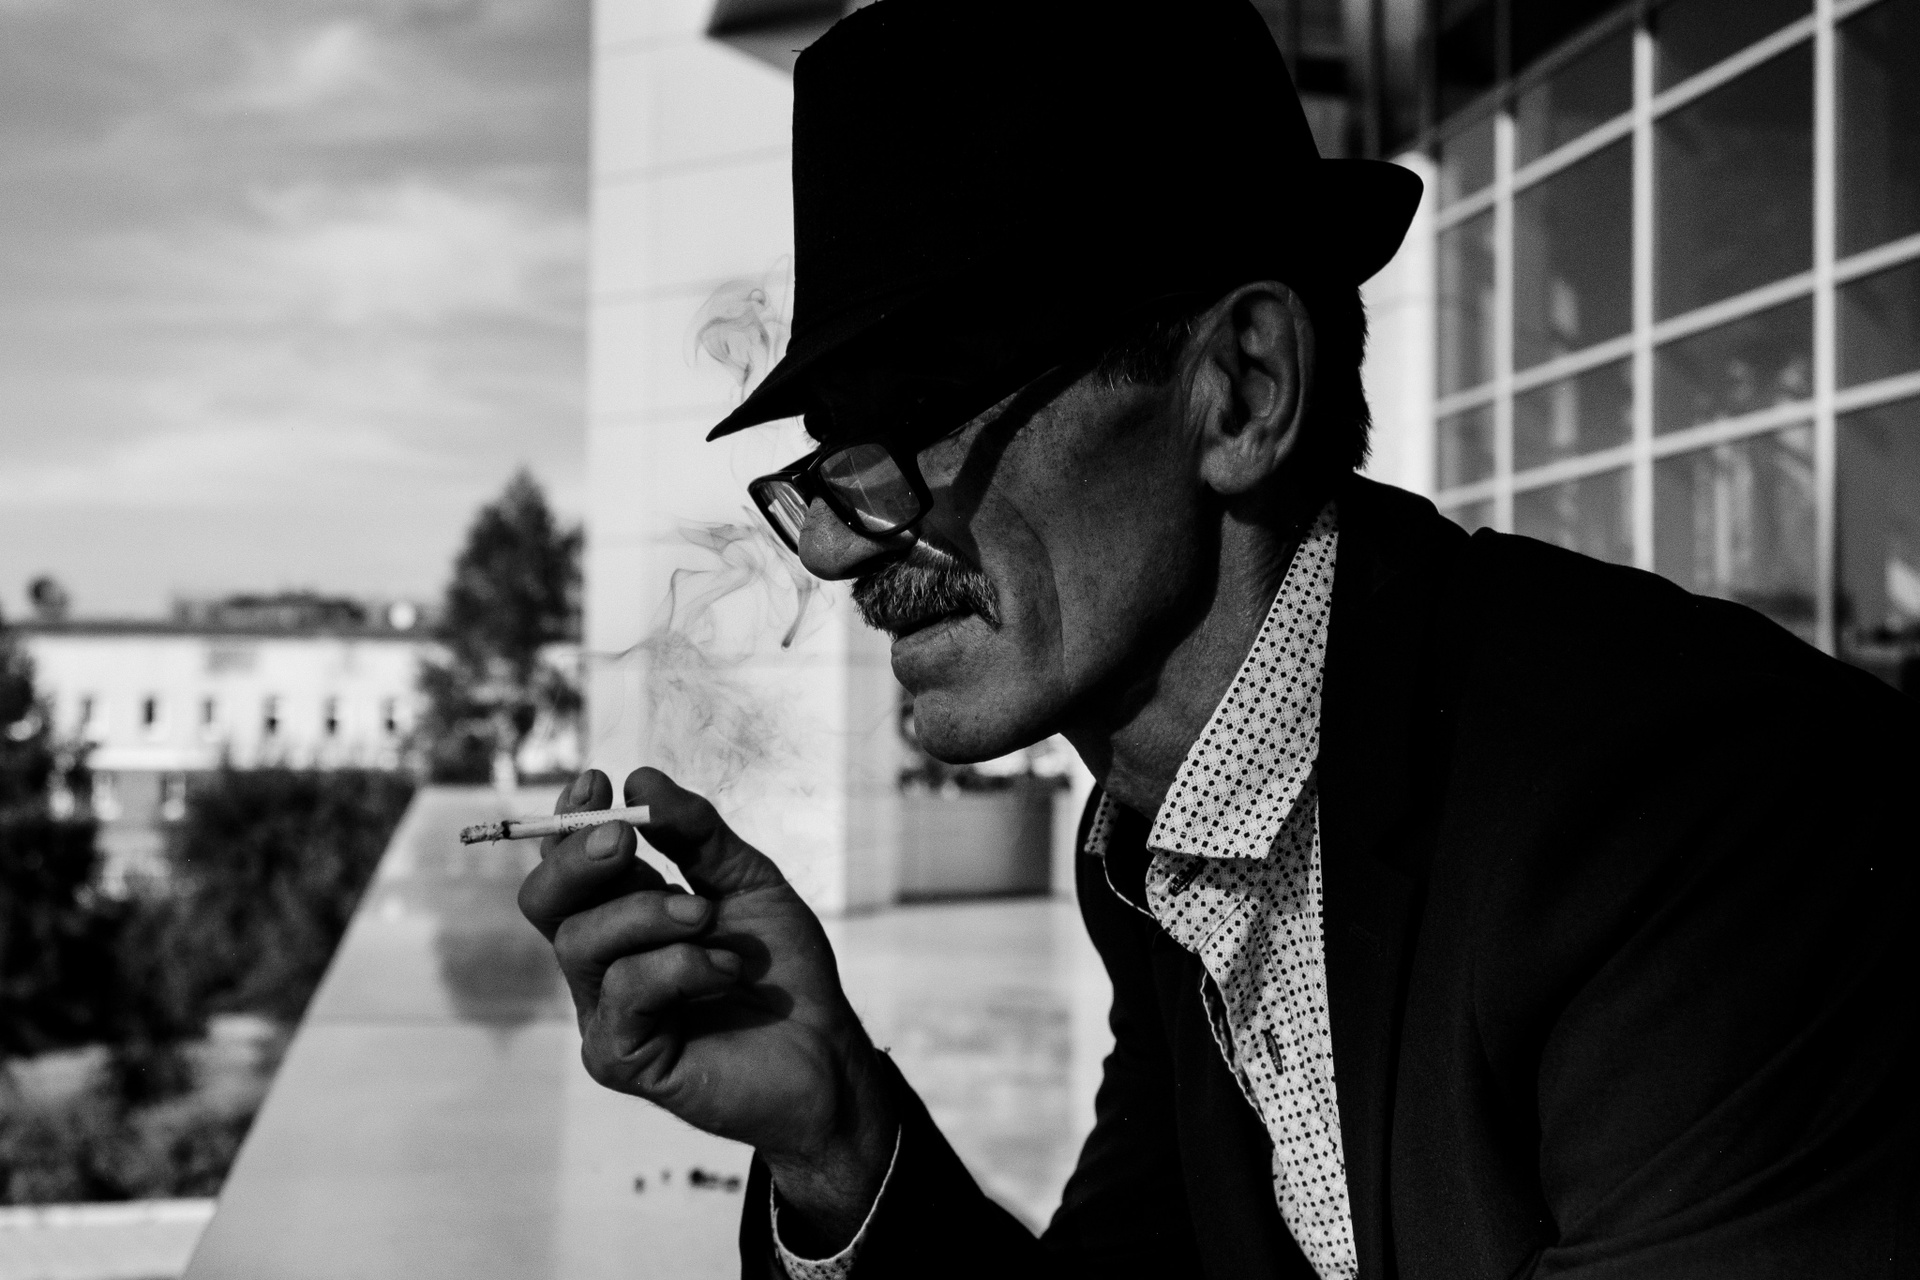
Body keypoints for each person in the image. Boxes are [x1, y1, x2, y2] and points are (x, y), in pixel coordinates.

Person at [517, 1, 1919, 1276]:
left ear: (1242, 391)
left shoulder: (1693, 819)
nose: (850, 549)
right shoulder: (1162, 862)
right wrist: (834, 1135)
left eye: (922, 418)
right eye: (834, 466)